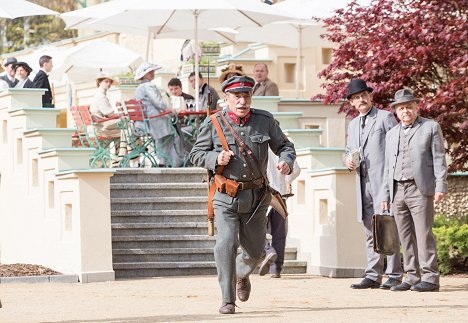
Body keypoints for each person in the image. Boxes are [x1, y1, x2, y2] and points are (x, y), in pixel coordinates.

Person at [189, 75, 296, 315]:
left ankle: (241, 275)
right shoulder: (214, 122)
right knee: (225, 244)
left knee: (256, 251)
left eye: (246, 95)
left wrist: (286, 161)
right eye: (236, 96)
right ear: (226, 98)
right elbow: (195, 154)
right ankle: (227, 300)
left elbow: (285, 146)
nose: (242, 100)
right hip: (225, 195)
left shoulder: (264, 120)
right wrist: (214, 158)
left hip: (257, 198)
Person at [383, 89, 447, 292]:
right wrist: (386, 194)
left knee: (424, 233)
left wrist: (440, 186)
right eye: (401, 108)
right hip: (397, 189)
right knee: (404, 236)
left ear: (416, 107)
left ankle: (430, 278)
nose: (406, 111)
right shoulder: (391, 134)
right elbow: (388, 166)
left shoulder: (430, 127)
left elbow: (439, 159)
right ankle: (411, 276)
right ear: (396, 111)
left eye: (409, 107)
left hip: (420, 189)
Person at [344, 78, 403, 290]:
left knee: (387, 228)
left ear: (370, 96)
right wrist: (348, 161)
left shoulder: (386, 118)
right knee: (370, 231)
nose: (361, 100)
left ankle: (394, 274)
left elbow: (396, 150)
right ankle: (372, 275)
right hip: (362, 185)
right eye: (356, 98)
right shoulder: (352, 125)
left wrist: (389, 187)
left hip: (383, 183)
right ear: (351, 103)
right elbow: (347, 151)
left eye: (363, 96)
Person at [259, 146, 301, 278]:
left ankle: (268, 250)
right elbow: (296, 170)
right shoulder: (283, 145)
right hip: (280, 194)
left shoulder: (258, 142)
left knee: (255, 227)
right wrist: (287, 179)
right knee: (279, 233)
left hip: (261, 193)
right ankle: (276, 269)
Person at [135, 62, 185, 167]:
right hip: (154, 120)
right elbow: (158, 102)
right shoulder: (148, 86)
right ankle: (169, 161)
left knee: (171, 131)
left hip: (146, 121)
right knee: (174, 133)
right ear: (144, 74)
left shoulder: (139, 88)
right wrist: (171, 110)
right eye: (150, 72)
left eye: (152, 71)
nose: (152, 73)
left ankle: (165, 160)